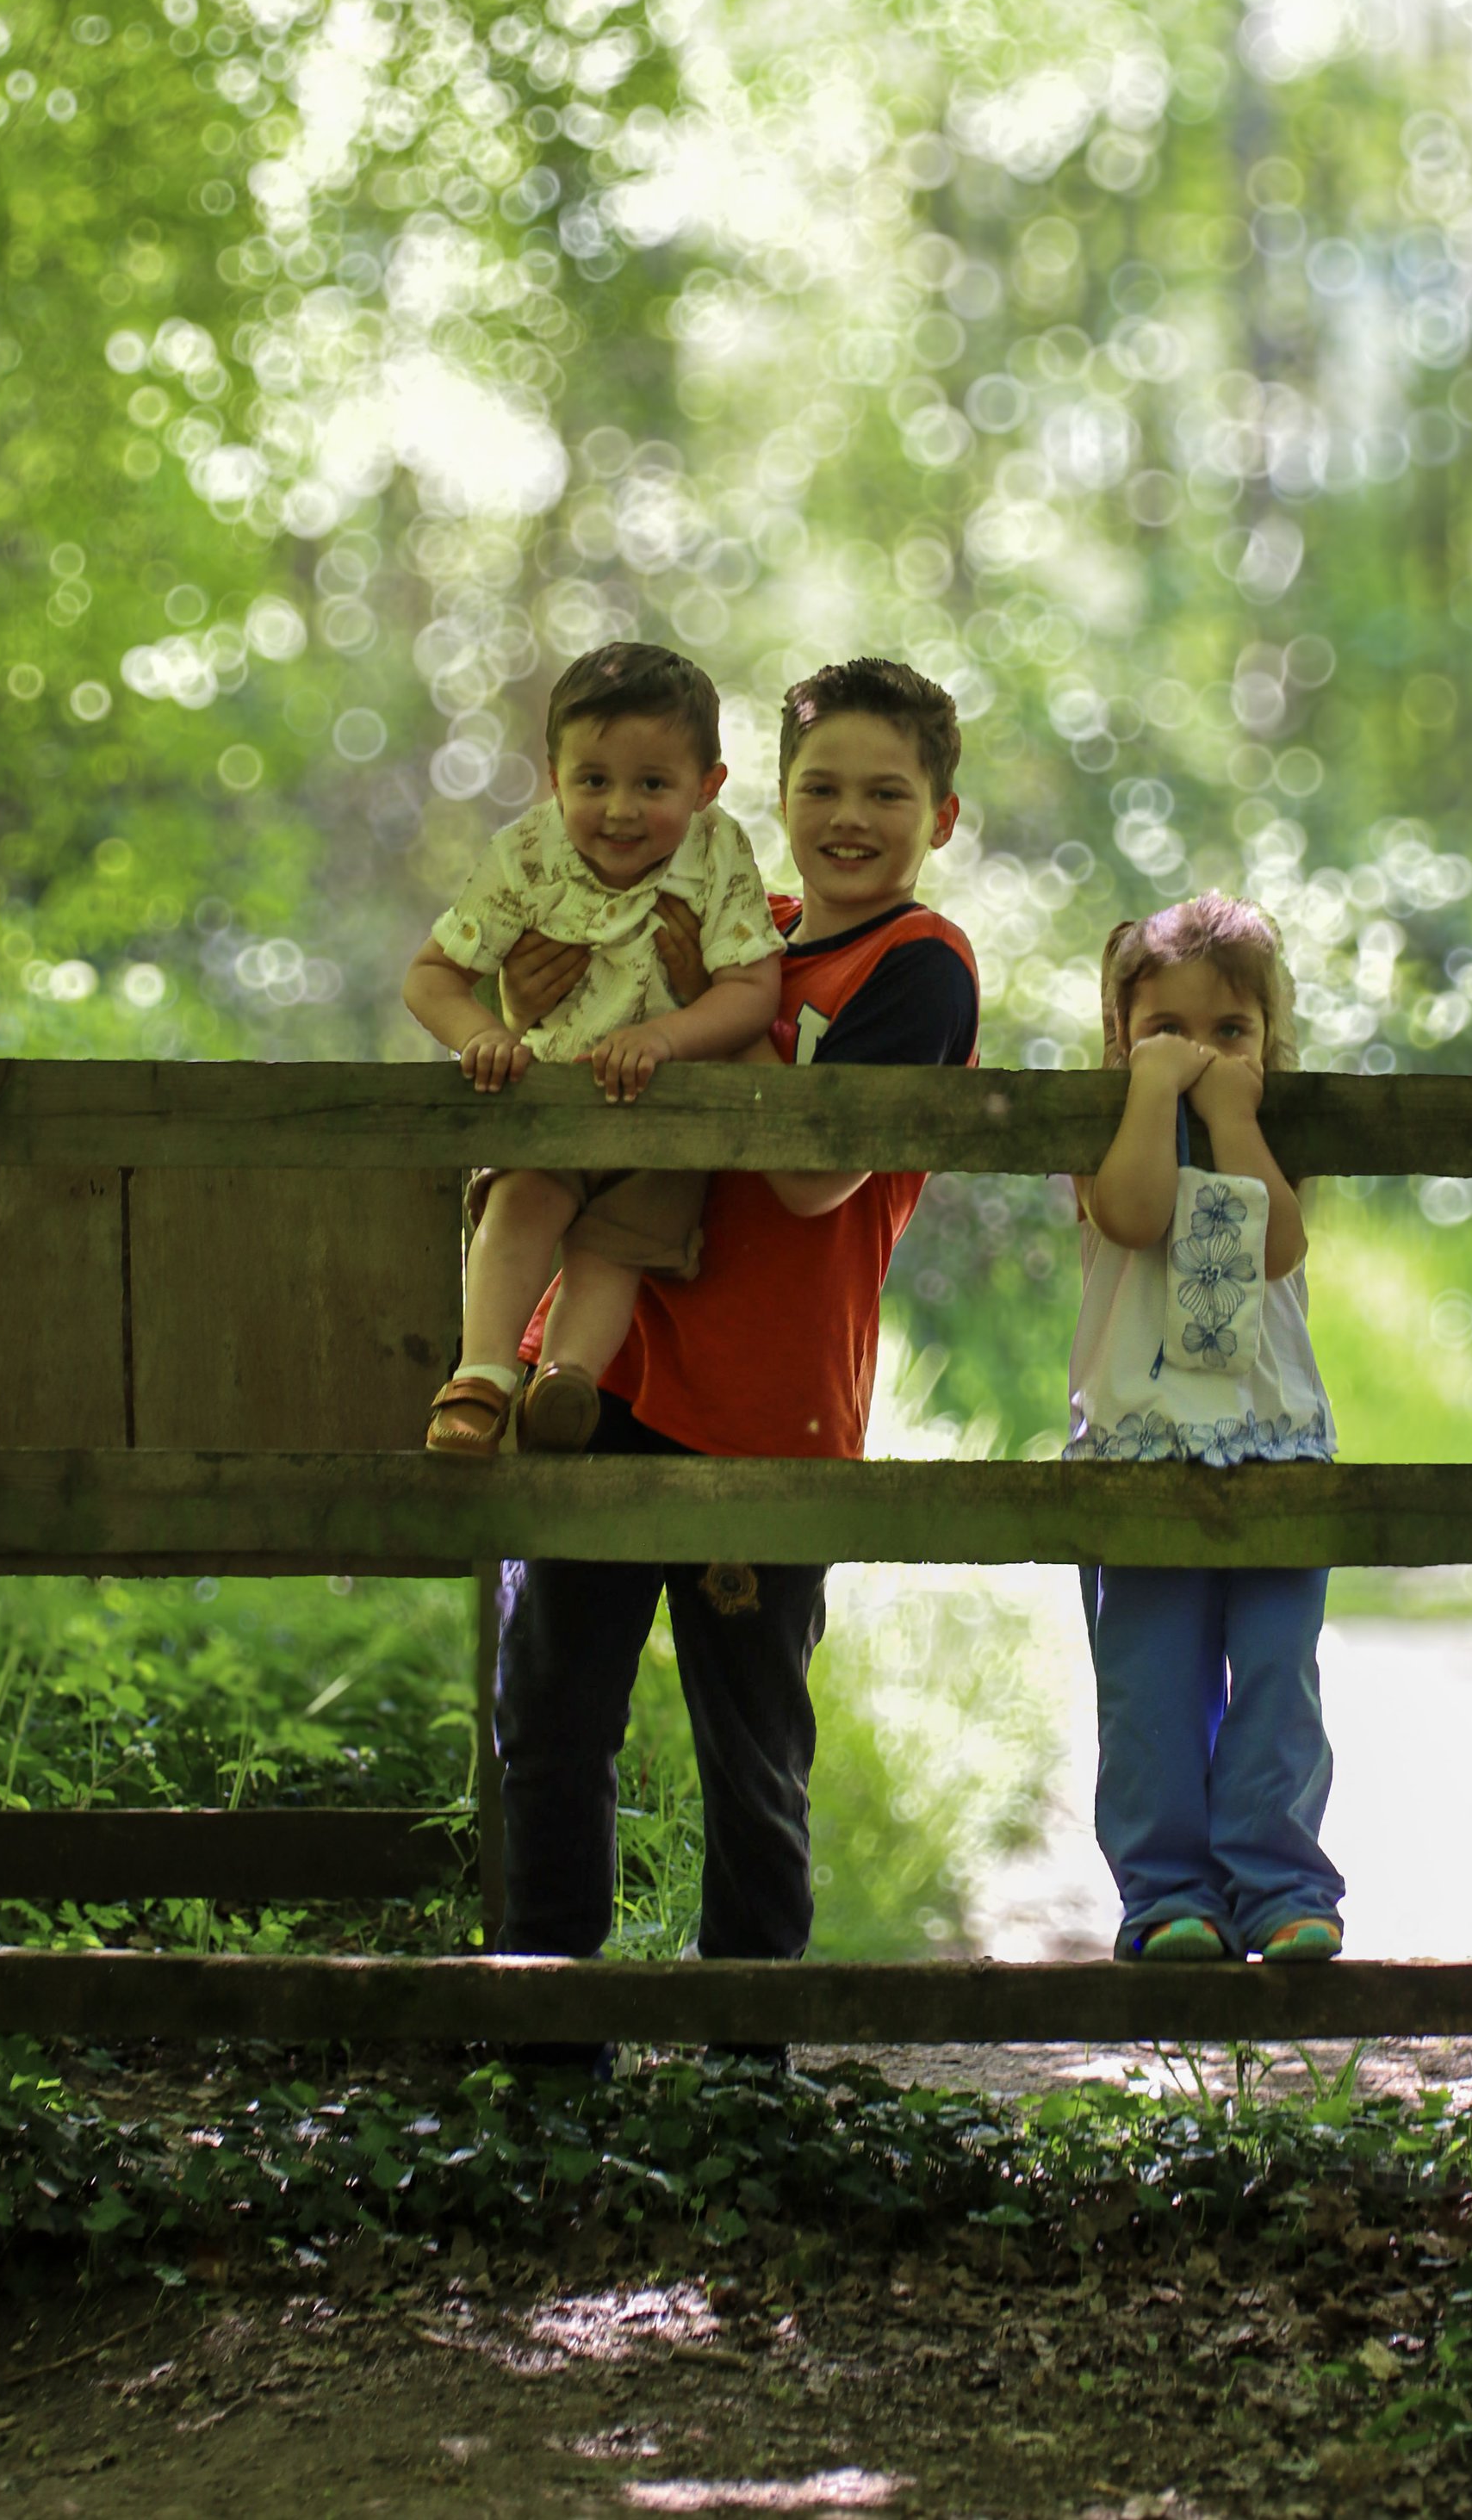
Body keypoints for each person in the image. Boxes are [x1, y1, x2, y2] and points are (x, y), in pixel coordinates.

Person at [490, 656, 978, 1974]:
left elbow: (817, 1178)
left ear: (941, 813)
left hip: (769, 1403)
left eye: (887, 790)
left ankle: (746, 2054)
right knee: (547, 1712)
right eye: (819, 786)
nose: (849, 816)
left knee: (749, 1746)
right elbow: (570, 1007)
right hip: (600, 1373)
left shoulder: (918, 965)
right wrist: (540, 989)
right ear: (774, 793)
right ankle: (547, 2038)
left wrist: (729, 1010)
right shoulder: (727, 923)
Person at [402, 641, 782, 1457]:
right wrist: (487, 1038)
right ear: (553, 777)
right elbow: (432, 977)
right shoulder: (528, 855)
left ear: (708, 787)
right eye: (594, 780)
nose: (619, 809)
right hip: (554, 1097)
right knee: (520, 1206)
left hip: (665, 1114)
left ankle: (565, 1385)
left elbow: (755, 990)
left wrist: (663, 1036)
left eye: (653, 785)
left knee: (614, 1253)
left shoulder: (717, 853)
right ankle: (482, 1375)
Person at [1071, 891, 1345, 1964]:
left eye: (1228, 1030)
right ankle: (1169, 1894)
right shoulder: (1107, 1136)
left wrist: (1233, 1117)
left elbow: (1273, 1247)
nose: (1196, 1052)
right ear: (1121, 1039)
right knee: (1149, 1684)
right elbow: (1134, 1214)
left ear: (1270, 1041)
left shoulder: (1269, 1134)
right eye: (1164, 1031)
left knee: (1277, 1676)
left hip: (1273, 1440)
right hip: (1142, 1446)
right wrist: (1153, 1094)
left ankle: (1278, 1886)